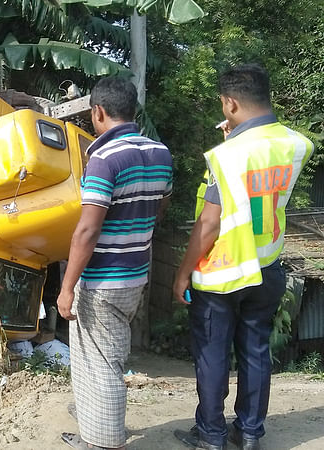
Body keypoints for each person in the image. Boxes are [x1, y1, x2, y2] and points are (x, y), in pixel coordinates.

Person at [172, 63, 314, 450]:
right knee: (255, 350)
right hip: (268, 265)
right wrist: (237, 137)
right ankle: (250, 433)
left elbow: (211, 222)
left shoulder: (226, 155)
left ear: (231, 103)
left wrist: (183, 273)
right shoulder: (298, 144)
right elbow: (261, 180)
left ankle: (212, 435)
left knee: (213, 355)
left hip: (223, 269)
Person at [57, 76, 173, 449]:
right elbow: (160, 205)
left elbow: (87, 231)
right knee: (107, 353)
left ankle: (102, 441)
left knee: (101, 363)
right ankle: (95, 416)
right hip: (136, 273)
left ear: (98, 112)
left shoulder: (104, 159)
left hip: (103, 280)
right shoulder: (160, 152)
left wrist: (67, 286)